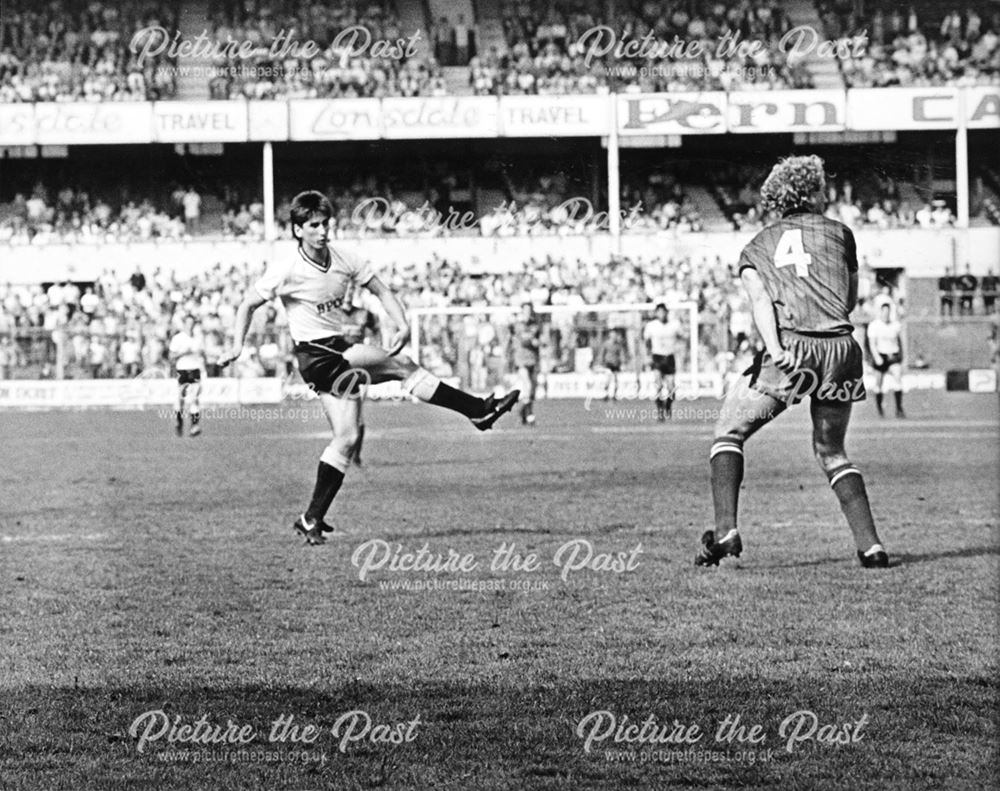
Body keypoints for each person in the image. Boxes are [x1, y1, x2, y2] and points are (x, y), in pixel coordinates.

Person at [221, 191, 519, 545]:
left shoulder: (345, 258)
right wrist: (238, 345)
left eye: (325, 223)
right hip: (319, 356)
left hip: (333, 355)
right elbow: (247, 305)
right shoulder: (287, 269)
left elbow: (382, 290)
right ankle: (477, 411)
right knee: (402, 366)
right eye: (313, 225)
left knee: (346, 438)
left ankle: (311, 517)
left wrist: (403, 323)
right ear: (298, 230)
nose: (322, 231)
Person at [696, 154, 889, 570]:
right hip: (840, 349)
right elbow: (849, 299)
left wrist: (777, 349)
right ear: (814, 191)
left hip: (792, 350)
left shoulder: (757, 246)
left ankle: (726, 530)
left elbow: (761, 301)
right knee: (832, 451)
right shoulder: (841, 233)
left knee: (729, 431)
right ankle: (871, 546)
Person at [169, 315, 206, 437]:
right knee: (181, 399)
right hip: (182, 370)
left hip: (195, 370)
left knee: (195, 398)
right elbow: (171, 357)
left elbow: (201, 354)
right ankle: (179, 423)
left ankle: (194, 426)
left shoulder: (198, 338)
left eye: (192, 323)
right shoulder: (178, 338)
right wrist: (184, 352)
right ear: (184, 324)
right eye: (188, 323)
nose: (191, 325)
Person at [867, 303, 905, 418]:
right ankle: (880, 409)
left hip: (892, 355)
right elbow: (872, 344)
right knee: (879, 383)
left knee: (897, 378)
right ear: (880, 312)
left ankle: (899, 408)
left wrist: (901, 356)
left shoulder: (895, 325)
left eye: (887, 312)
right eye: (884, 312)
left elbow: (900, 341)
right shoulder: (874, 325)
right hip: (880, 355)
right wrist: (877, 357)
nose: (886, 314)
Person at [643, 303, 680, 420]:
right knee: (658, 386)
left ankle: (668, 405)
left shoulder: (674, 325)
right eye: (659, 312)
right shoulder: (651, 326)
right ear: (656, 313)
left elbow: (682, 337)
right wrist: (648, 355)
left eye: (663, 312)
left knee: (671, 388)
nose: (662, 314)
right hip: (657, 357)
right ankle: (660, 411)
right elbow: (647, 341)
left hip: (669, 358)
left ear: (667, 312)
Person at [511, 303, 542, 425]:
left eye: (529, 311)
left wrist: (535, 342)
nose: (527, 313)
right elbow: (523, 340)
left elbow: (538, 341)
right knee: (527, 385)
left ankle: (523, 412)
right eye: (525, 311)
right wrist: (531, 340)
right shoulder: (518, 325)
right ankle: (529, 414)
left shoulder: (535, 326)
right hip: (521, 359)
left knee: (532, 389)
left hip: (532, 359)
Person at [599, 329, 625, 400]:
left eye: (615, 335)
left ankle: (614, 395)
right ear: (610, 336)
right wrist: (601, 362)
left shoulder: (618, 345)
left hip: (616, 364)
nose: (614, 337)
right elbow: (602, 353)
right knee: (608, 379)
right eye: (613, 335)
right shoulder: (606, 344)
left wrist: (622, 363)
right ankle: (606, 394)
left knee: (616, 380)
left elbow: (621, 354)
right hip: (608, 363)